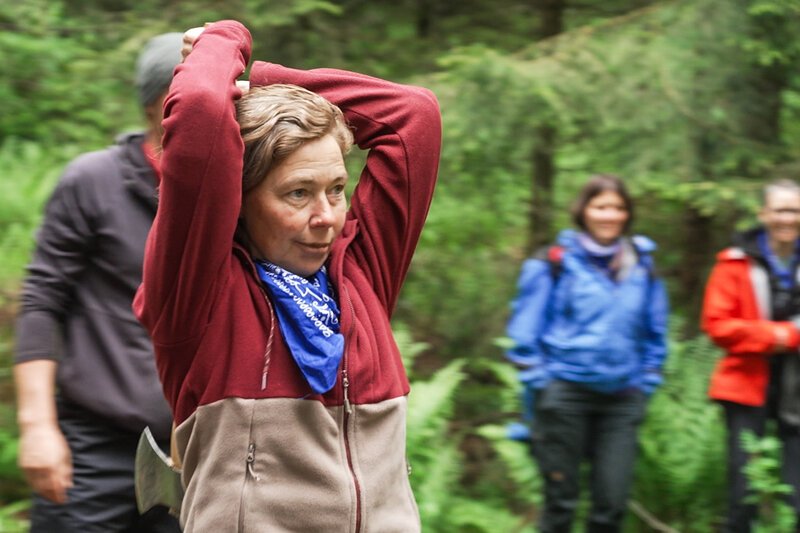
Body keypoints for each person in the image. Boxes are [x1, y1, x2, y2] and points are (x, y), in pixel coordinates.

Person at [132, 20, 441, 531]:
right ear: (238, 200)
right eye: (298, 193)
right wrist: (224, 40)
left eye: (337, 189)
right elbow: (203, 112)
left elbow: (413, 117)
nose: (327, 217)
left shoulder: (362, 275)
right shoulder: (201, 297)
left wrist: (269, 84)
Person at [13, 33, 184, 533]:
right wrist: (37, 426)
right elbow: (43, 302)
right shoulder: (93, 182)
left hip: (191, 452)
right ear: (159, 105)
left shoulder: (228, 195)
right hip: (93, 450)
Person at [505, 174, 669, 533]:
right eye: (601, 206)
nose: (610, 215)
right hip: (565, 396)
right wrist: (542, 383)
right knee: (560, 502)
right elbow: (524, 332)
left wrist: (648, 379)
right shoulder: (555, 261)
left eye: (618, 207)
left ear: (627, 214)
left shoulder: (643, 263)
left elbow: (656, 331)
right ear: (584, 210)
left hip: (623, 399)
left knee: (611, 504)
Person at [702, 179, 800, 533]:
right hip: (745, 386)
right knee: (743, 495)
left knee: (797, 500)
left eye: (794, 210)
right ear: (764, 214)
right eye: (779, 210)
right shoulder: (733, 263)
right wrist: (782, 335)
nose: (787, 218)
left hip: (796, 390)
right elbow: (718, 326)